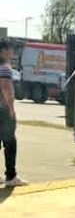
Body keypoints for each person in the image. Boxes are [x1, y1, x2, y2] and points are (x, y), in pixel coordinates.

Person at [0, 39, 26, 187]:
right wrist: (11, 109)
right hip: (3, 111)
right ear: (3, 51)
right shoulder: (5, 68)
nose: (12, 52)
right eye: (10, 49)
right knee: (10, 143)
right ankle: (11, 176)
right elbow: (6, 89)